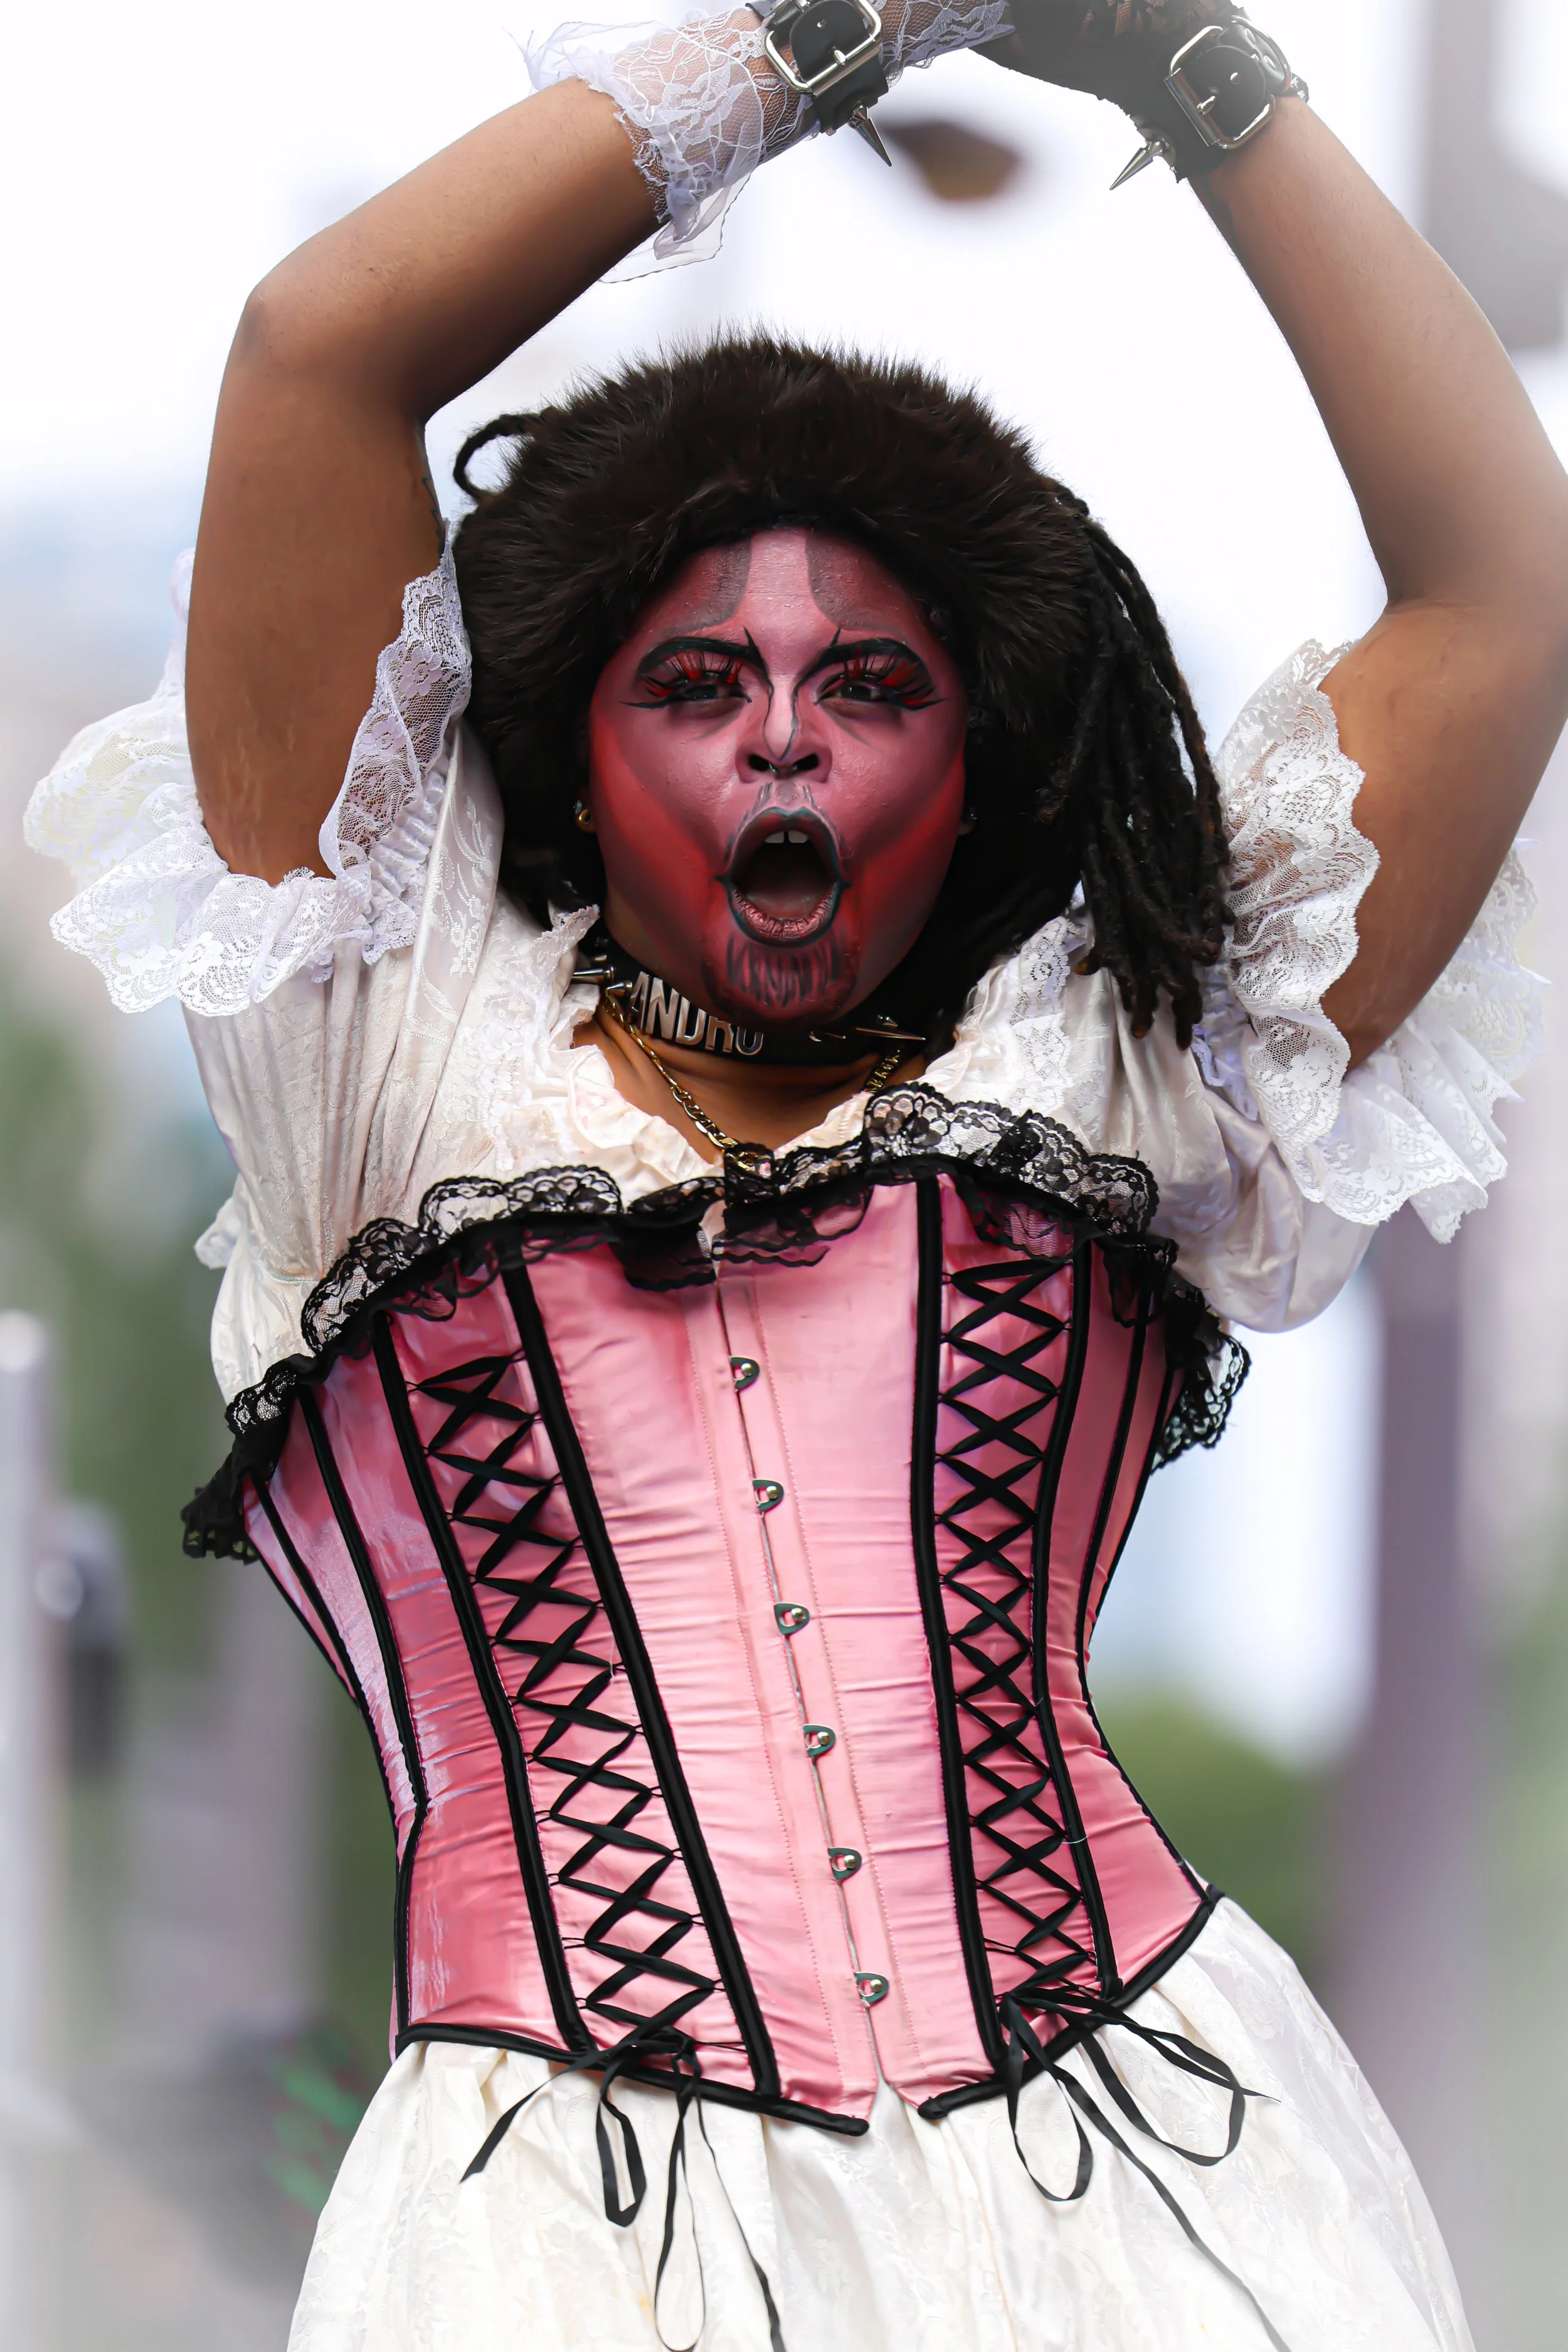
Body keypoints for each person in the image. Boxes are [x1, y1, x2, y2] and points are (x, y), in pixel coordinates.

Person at [27, 4, 1568, 2346]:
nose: (779, 727)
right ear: (571, 742)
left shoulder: (1116, 1058)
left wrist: (1186, 66)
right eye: (695, 680)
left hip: (1158, 2186)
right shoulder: (388, 1040)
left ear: (974, 764)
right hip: (545, 2243)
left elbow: (1501, 587)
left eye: (869, 682)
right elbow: (320, 351)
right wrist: (833, 30)